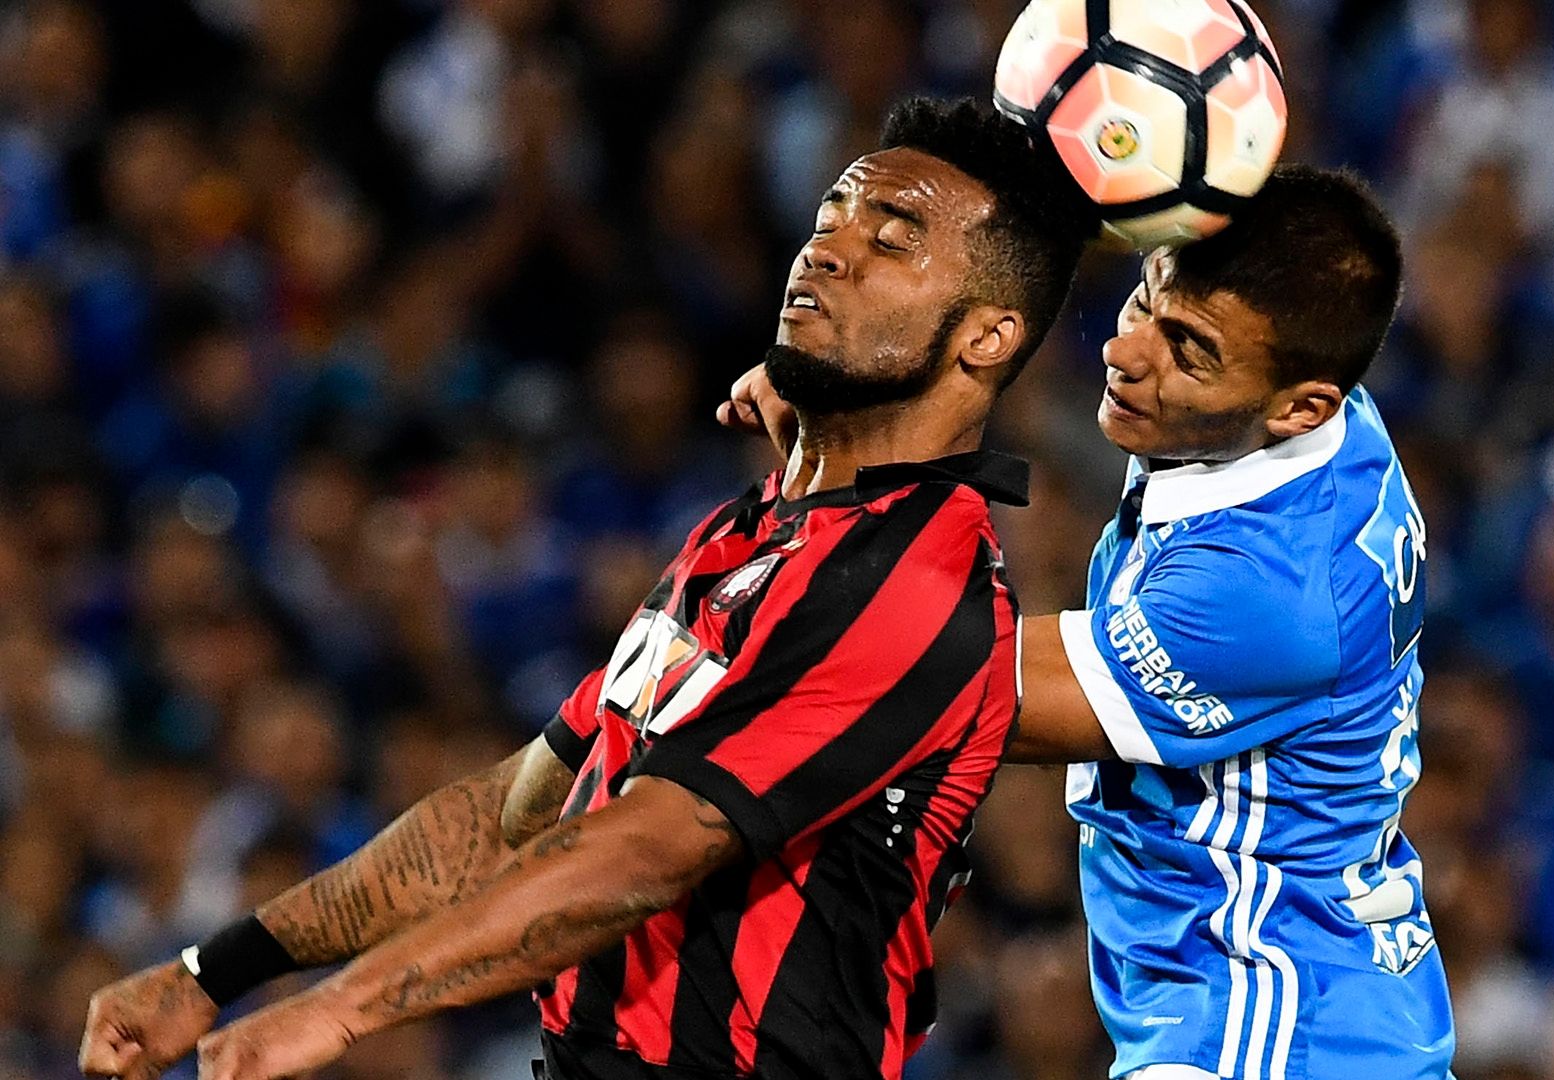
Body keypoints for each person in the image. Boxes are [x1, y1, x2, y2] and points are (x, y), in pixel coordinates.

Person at [76, 96, 1095, 1080]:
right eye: (833, 216)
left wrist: (345, 1008)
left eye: (894, 238)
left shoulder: (916, 578)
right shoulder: (745, 534)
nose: (830, 248)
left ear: (987, 337)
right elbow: (519, 808)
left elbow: (645, 849)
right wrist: (216, 972)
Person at [727, 166, 1457, 1079]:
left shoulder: (1267, 594)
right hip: (1321, 997)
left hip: (1261, 1021)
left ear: (1299, 407)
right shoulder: (1310, 418)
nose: (1128, 353)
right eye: (1147, 299)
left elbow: (937, 688)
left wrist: (837, 458)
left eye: (1188, 350)